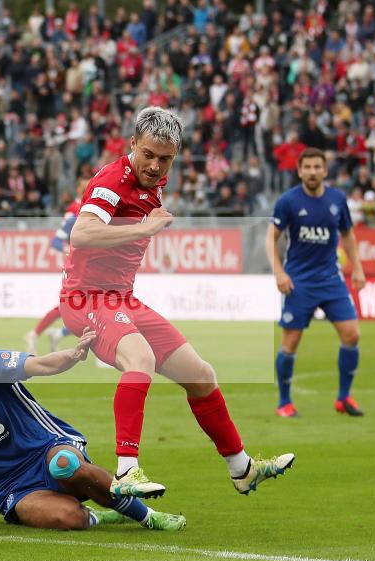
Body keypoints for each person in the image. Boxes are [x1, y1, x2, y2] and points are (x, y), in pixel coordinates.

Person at [59, 106, 295, 498]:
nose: (154, 165)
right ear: (132, 143)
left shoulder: (154, 182)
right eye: (148, 154)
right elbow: (82, 235)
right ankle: (125, 471)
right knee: (142, 360)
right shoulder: (112, 180)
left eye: (164, 158)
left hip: (120, 298)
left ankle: (242, 468)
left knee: (200, 374)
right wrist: (144, 227)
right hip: (86, 299)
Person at [0, 308, 186, 531]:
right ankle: (104, 512)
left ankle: (148, 516)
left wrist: (71, 354)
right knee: (72, 518)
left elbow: (40, 364)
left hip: (48, 448)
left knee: (64, 465)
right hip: (13, 486)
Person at [265, 147, 367, 418]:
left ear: (324, 170)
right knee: (292, 340)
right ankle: (284, 402)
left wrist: (357, 268)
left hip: (331, 280)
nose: (312, 172)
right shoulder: (288, 201)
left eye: (316, 167)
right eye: (307, 167)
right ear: (299, 171)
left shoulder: (337, 200)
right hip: (299, 281)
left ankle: (344, 397)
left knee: (352, 334)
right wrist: (279, 273)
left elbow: (348, 235)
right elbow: (271, 238)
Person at [24, 194, 82, 354]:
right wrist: (67, 249)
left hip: (94, 269)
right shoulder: (74, 218)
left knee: (84, 310)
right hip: (76, 268)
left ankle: (52, 334)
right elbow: (56, 241)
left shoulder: (102, 217)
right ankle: (38, 334)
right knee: (75, 308)